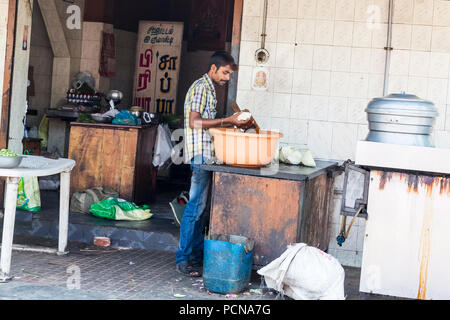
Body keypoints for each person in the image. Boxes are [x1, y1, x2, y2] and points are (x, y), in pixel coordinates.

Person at [175, 51, 252, 277]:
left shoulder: (211, 90)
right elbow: (195, 121)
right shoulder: (200, 87)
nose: (227, 78)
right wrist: (227, 120)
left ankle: (196, 255)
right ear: (213, 69)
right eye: (225, 73)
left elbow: (210, 125)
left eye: (229, 74)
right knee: (194, 208)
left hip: (208, 156)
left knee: (200, 209)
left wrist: (233, 126)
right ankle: (183, 258)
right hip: (200, 156)